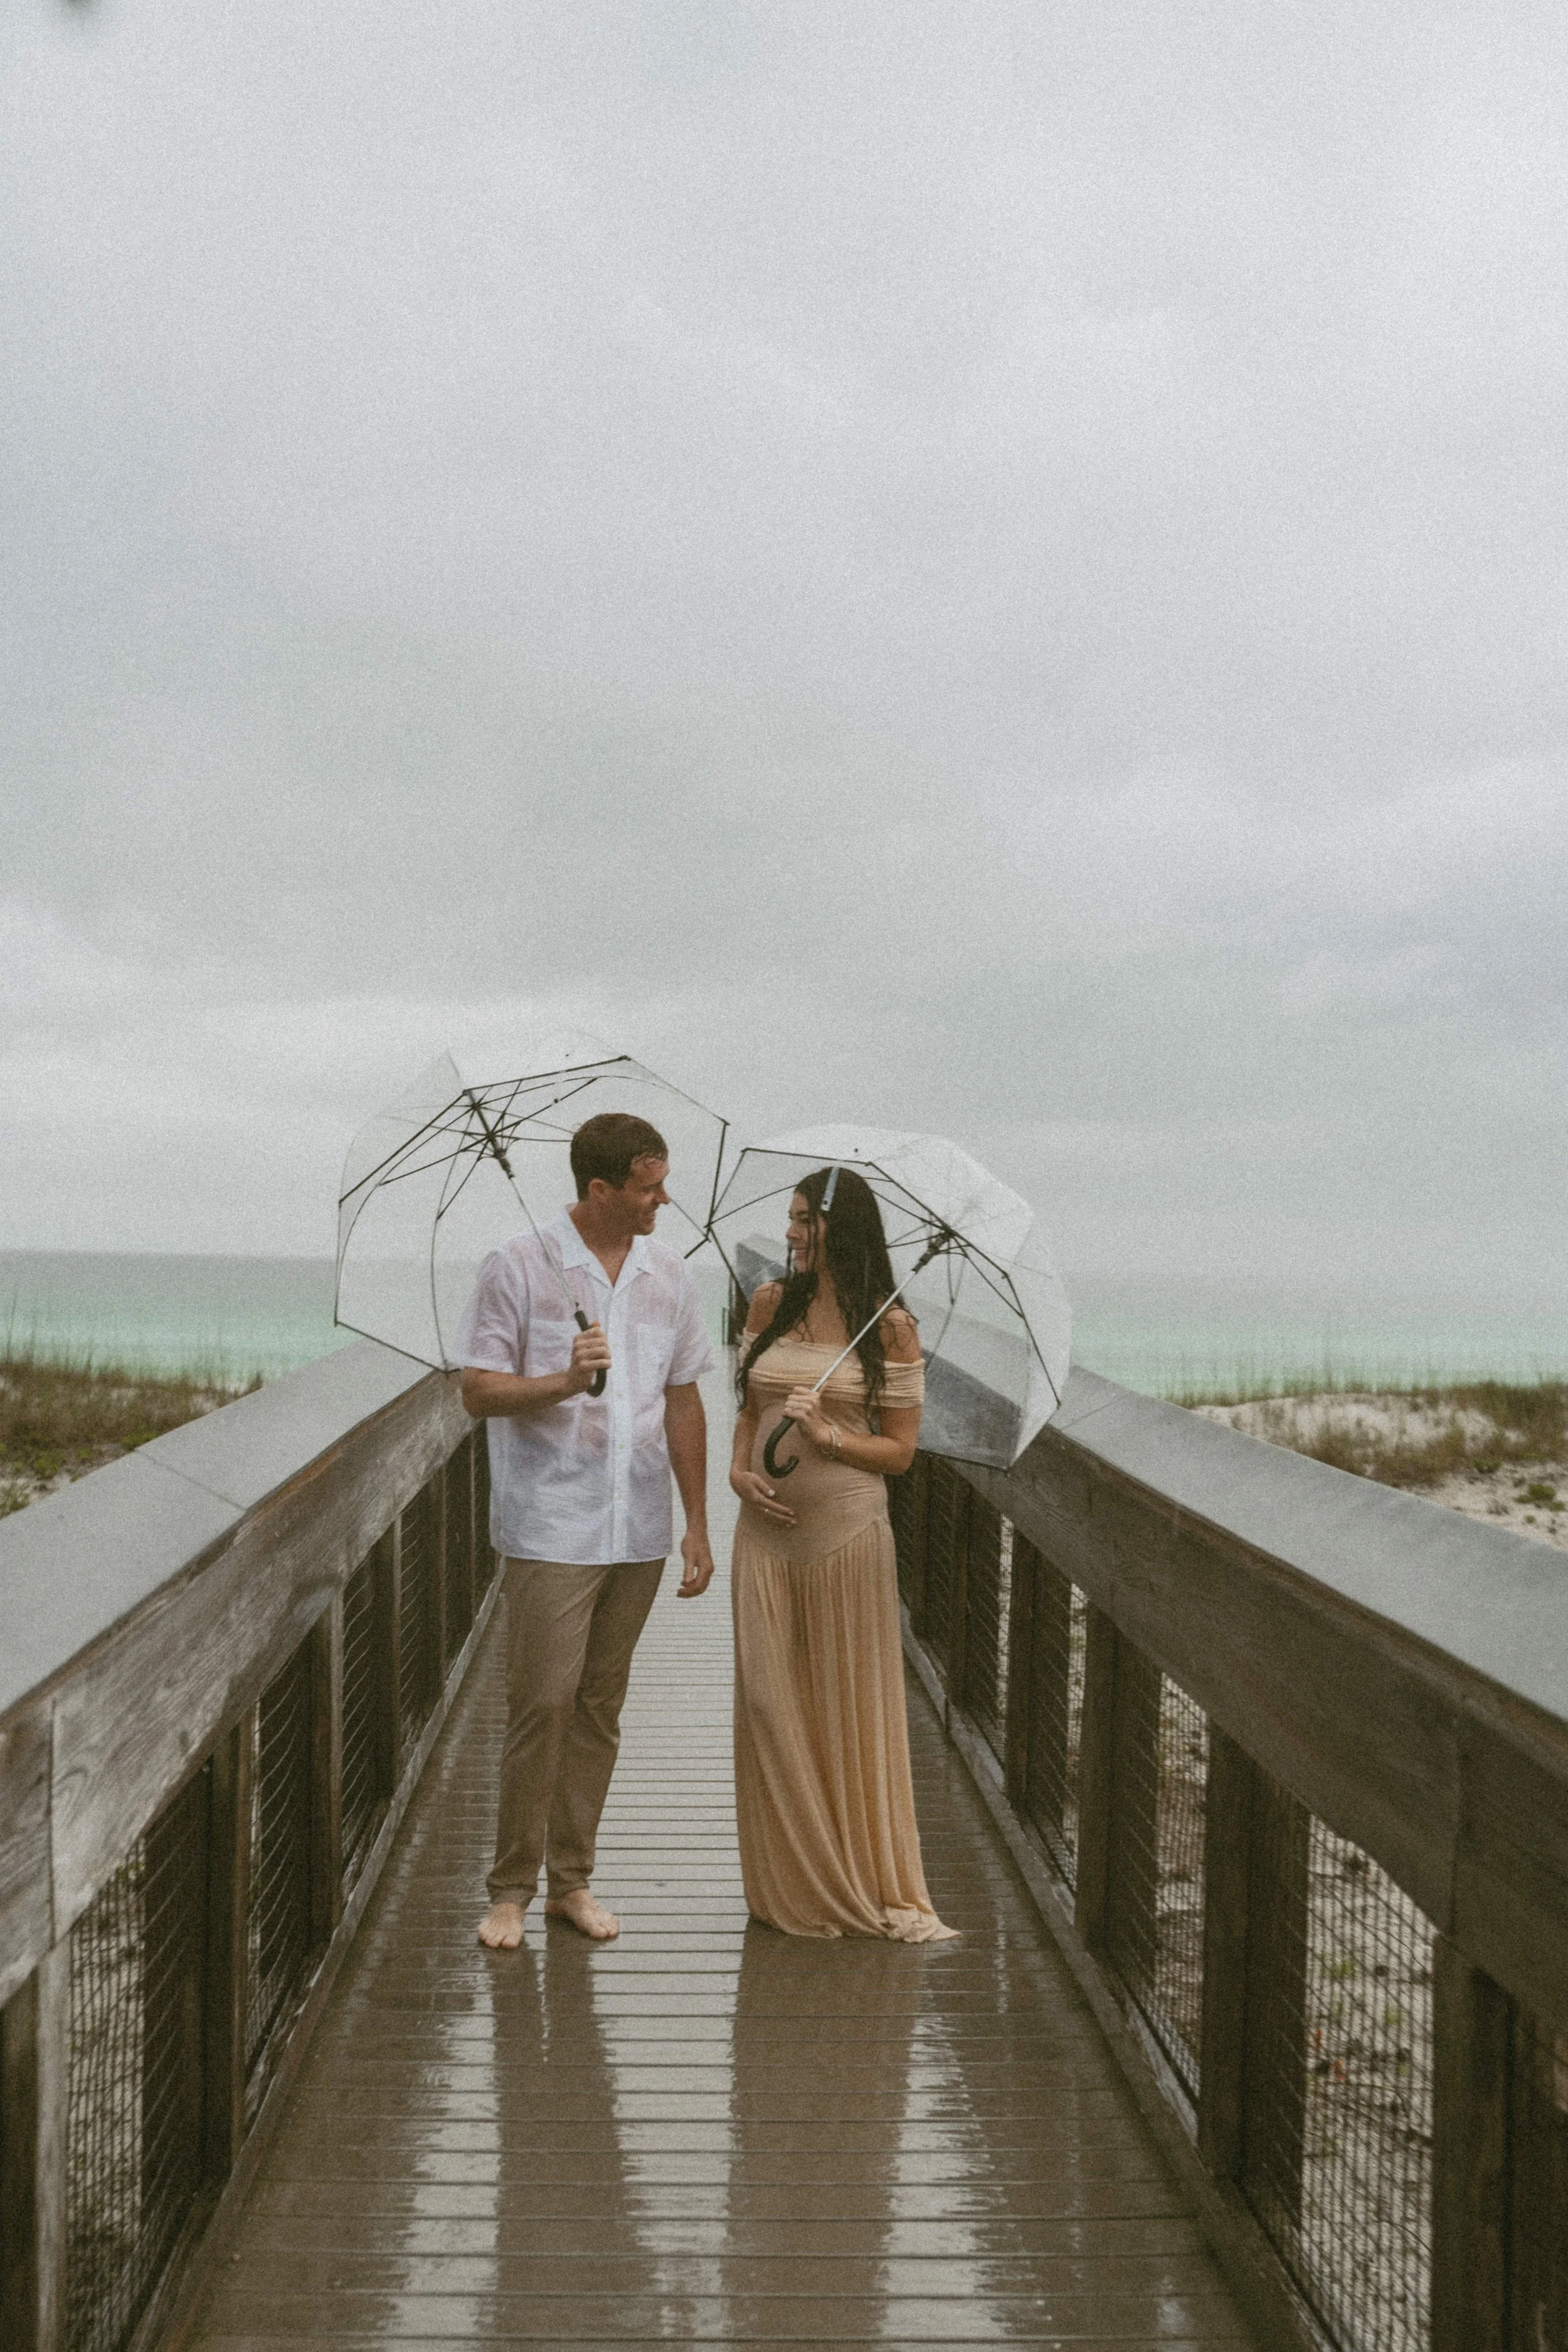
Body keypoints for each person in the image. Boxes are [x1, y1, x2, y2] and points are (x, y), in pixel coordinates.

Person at [457, 1111, 716, 1948]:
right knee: (542, 1703)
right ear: (601, 1188)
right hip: (549, 1524)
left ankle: (573, 1882)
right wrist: (563, 1380)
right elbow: (478, 1390)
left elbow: (683, 1397)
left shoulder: (670, 1273)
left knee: (600, 1708)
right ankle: (508, 1892)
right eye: (648, 1186)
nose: (662, 1199)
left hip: (636, 1524)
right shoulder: (516, 1265)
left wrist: (698, 1522)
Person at [729, 1166, 957, 1941]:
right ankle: (790, 1876)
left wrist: (829, 1436)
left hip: (847, 1538)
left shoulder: (889, 1327)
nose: (789, 1233)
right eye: (789, 1218)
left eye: (803, 1221)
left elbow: (899, 1454)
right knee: (768, 1699)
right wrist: (736, 1472)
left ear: (840, 1230)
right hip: (761, 1531)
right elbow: (748, 1411)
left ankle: (853, 1879)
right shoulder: (767, 1303)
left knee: (839, 1700)